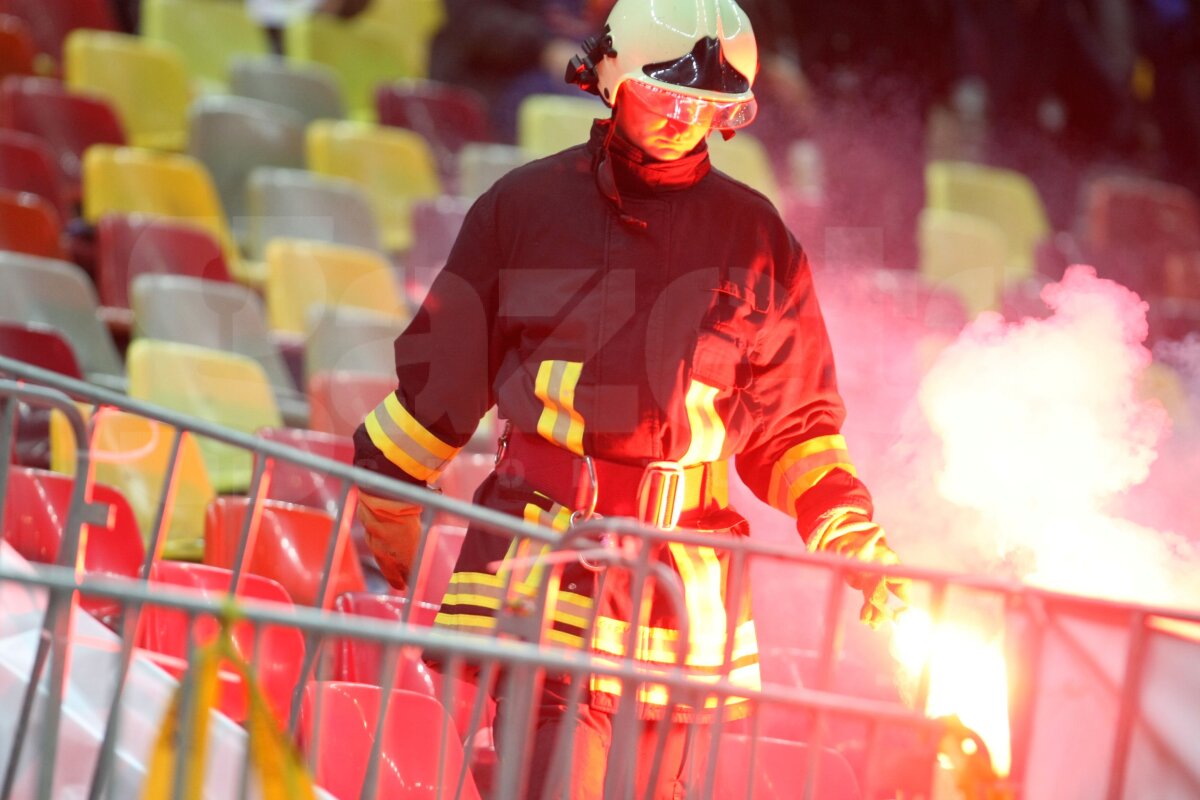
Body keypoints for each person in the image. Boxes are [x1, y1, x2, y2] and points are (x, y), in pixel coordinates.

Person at [352, 0, 911, 795]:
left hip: (677, 591)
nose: (687, 119)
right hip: (544, 559)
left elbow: (795, 429)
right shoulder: (523, 209)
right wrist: (392, 490)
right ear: (610, 77)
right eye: (670, 95)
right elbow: (446, 374)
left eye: (710, 106)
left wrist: (853, 536)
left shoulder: (760, 241)